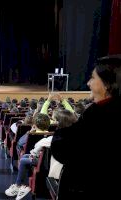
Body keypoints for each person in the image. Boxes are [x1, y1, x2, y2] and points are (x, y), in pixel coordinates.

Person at [51, 55, 121, 199]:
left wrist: (63, 130)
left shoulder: (97, 116)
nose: (88, 83)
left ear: (107, 84)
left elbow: (64, 150)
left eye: (93, 78)